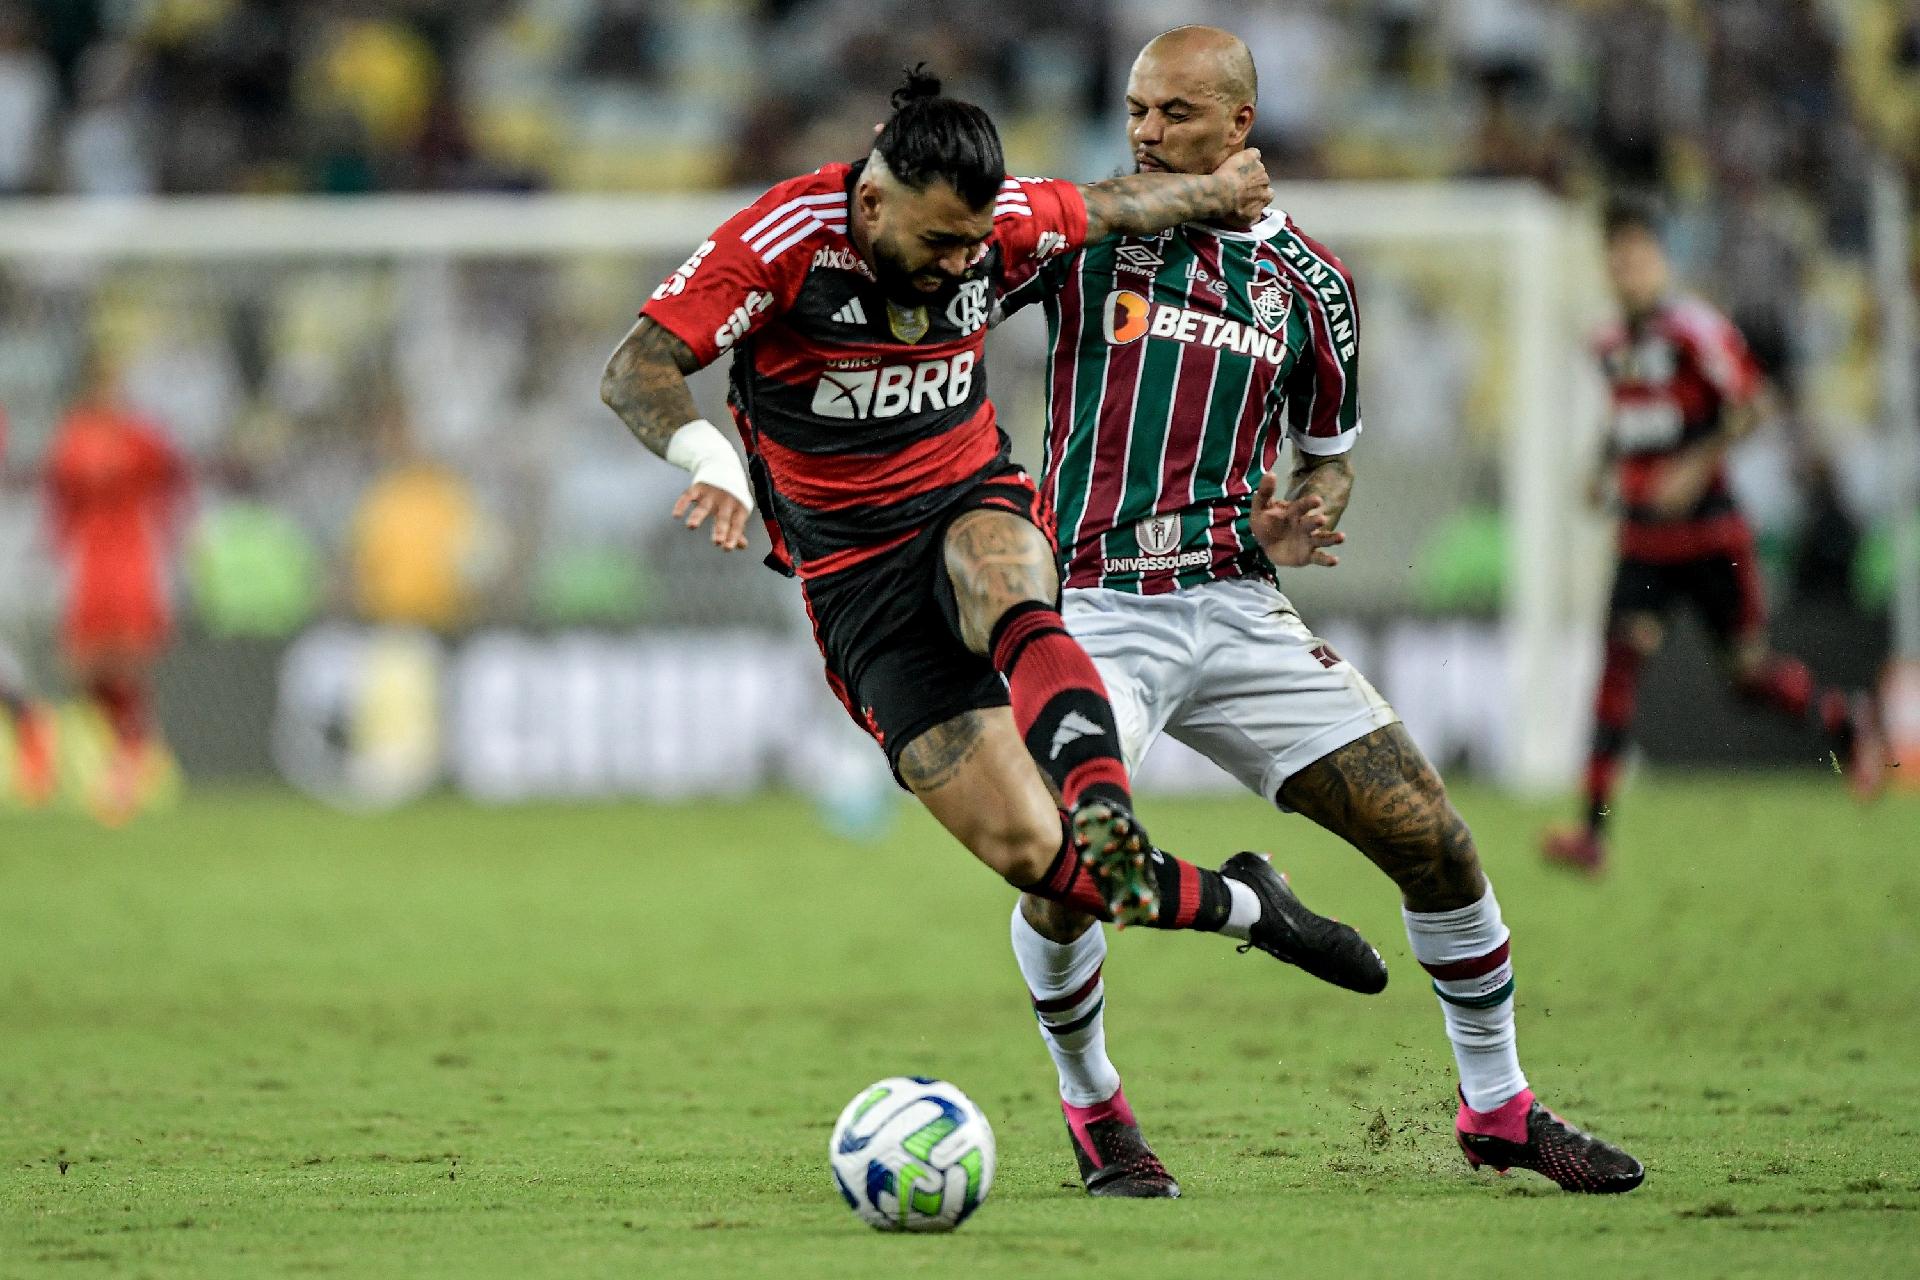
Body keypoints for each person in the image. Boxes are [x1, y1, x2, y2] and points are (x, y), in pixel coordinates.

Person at [996, 26, 1644, 1196]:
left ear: (1242, 125)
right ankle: (1095, 1104)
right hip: (1092, 607)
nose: (1145, 131)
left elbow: (1327, 456)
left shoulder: (1315, 288)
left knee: (1432, 839)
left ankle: (1496, 1105)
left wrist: (1305, 511)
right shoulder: (1092, 238)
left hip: (1238, 604)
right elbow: (994, 226)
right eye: (1137, 109)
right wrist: (1153, 188)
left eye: (1175, 114)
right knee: (1059, 863)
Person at [601, 69, 1388, 996]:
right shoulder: (784, 239)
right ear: (871, 201)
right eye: (937, 241)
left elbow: (1110, 207)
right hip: (857, 577)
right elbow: (637, 366)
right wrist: (708, 457)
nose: (955, 265)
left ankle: (1101, 801)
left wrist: (1215, 192)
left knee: (1005, 579)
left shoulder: (1001, 224)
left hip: (968, 493)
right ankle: (1252, 905)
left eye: (972, 245)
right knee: (1041, 859)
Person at [1542, 198, 1885, 872]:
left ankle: (1845, 719)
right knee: (1618, 661)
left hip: (1709, 534)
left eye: (1637, 256)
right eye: (1616, 259)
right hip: (1643, 538)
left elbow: (1754, 403)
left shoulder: (1695, 329)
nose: (1626, 270)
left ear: (1660, 259)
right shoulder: (1610, 344)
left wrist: (1692, 469)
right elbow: (1628, 419)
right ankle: (1591, 832)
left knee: (1747, 674)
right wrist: (1600, 469)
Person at [45, 360, 189, 822]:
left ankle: (130, 764)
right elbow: (59, 497)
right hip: (90, 555)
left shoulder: (140, 437)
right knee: (85, 665)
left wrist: (168, 529)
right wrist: (58, 542)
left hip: (129, 551)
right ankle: (123, 750)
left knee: (129, 660)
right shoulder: (72, 438)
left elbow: (173, 478)